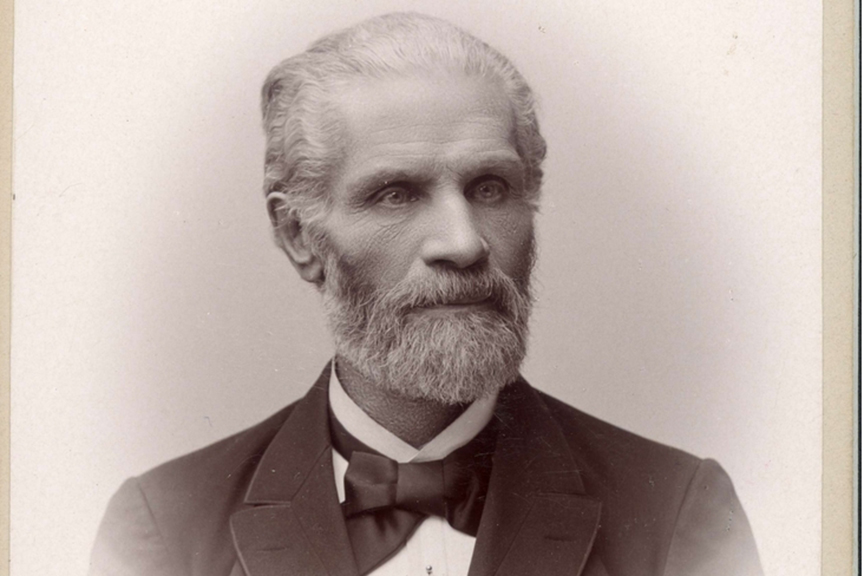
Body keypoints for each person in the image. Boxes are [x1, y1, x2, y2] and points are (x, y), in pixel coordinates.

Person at [89, 12, 763, 576]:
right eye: (396, 194)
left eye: (490, 188)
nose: (463, 243)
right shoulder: (165, 533)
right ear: (298, 235)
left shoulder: (674, 516)